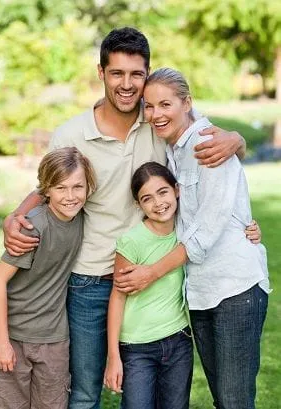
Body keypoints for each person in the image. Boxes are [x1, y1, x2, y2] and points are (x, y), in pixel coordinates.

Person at [2, 28, 258, 409]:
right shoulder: (72, 134)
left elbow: (203, 134)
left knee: (150, 389)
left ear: (147, 74)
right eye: (117, 73)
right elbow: (48, 188)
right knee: (86, 392)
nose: (127, 84)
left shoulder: (157, 121)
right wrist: (15, 216)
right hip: (89, 281)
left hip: (153, 278)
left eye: (136, 74)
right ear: (101, 72)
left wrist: (237, 138)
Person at [117, 67, 269, 409]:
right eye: (150, 106)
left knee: (234, 401)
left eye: (165, 104)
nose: (156, 114)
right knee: (223, 400)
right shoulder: (175, 146)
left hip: (235, 289)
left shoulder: (206, 144)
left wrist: (150, 272)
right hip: (200, 293)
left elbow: (206, 232)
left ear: (187, 103)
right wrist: (239, 139)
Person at [0, 147, 96, 409]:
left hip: (54, 338)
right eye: (61, 188)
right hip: (14, 335)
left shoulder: (81, 217)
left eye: (77, 187)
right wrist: (2, 343)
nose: (70, 196)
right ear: (46, 191)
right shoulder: (33, 228)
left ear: (88, 187)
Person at [104, 162, 193, 409]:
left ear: (176, 190)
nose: (158, 203)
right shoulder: (132, 242)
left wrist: (249, 229)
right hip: (137, 348)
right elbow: (117, 297)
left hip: (178, 340)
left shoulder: (186, 231)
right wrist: (113, 356)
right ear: (138, 205)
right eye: (147, 198)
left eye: (163, 192)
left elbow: (218, 230)